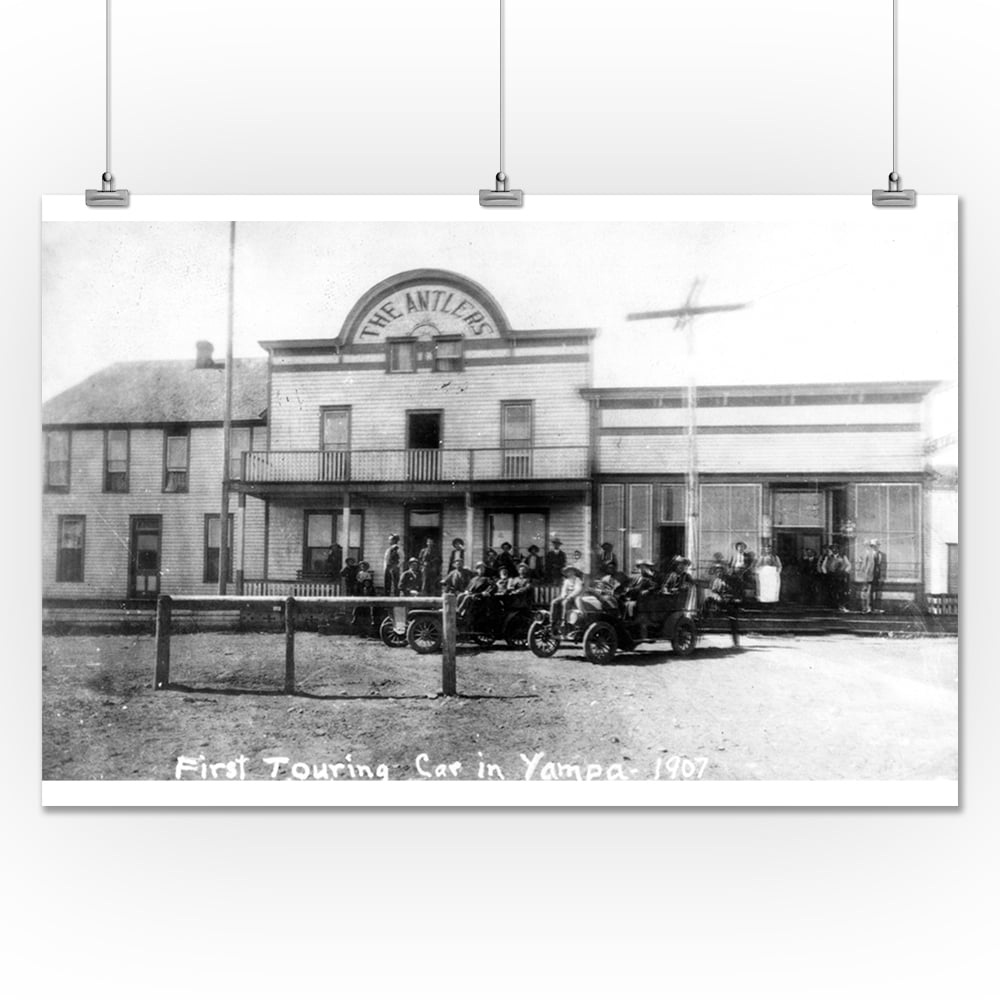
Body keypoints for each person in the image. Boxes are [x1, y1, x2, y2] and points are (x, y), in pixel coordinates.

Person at [859, 538, 886, 613]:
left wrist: (883, 576)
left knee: (877, 592)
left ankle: (876, 608)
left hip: (878, 576)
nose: (875, 547)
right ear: (871, 546)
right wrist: (864, 575)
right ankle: (868, 607)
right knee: (869, 592)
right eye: (873, 545)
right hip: (869, 575)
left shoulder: (882, 555)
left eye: (877, 545)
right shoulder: (868, 554)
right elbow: (864, 565)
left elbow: (884, 566)